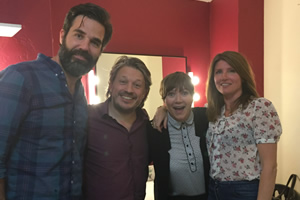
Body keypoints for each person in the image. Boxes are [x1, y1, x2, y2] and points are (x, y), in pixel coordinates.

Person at [0, 3, 112, 200]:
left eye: (95, 42)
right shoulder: (20, 78)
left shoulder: (80, 95)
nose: (84, 47)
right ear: (62, 36)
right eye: (79, 35)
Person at [205, 51, 282, 200]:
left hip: (244, 191)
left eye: (231, 71)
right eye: (218, 72)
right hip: (214, 188)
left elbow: (270, 166)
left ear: (243, 75)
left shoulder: (259, 107)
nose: (224, 77)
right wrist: (162, 109)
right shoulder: (214, 112)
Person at [84, 56, 152, 200]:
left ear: (145, 92)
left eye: (137, 85)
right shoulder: (87, 118)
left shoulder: (147, 124)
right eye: (123, 82)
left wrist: (164, 110)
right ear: (111, 84)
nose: (129, 89)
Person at [148, 72, 210, 200]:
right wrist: (162, 109)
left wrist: (163, 109)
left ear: (192, 96)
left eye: (185, 93)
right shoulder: (156, 129)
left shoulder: (206, 118)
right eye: (171, 94)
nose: (178, 100)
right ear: (164, 100)